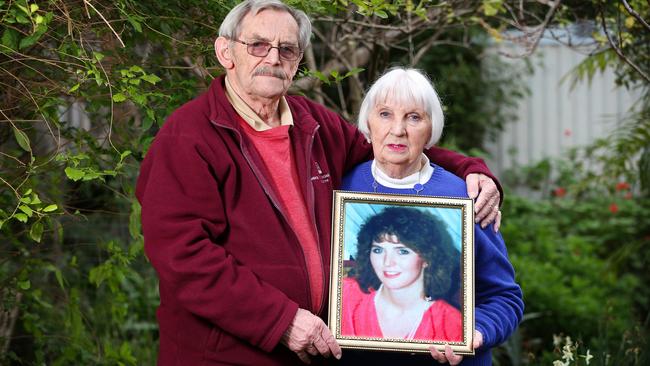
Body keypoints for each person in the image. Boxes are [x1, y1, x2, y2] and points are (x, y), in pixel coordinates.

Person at [136, 1, 504, 365]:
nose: (273, 57)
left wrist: (471, 169)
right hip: (224, 355)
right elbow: (184, 256)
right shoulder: (188, 137)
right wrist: (281, 320)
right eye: (258, 45)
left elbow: (389, 148)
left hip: (311, 351)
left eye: (287, 48)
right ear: (226, 51)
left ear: (297, 61)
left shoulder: (312, 122)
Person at [341, 67, 524, 366]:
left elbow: (504, 297)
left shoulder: (466, 196)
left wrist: (476, 331)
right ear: (368, 123)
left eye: (414, 117)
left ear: (430, 130)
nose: (398, 130)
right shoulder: (340, 186)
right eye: (385, 114)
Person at [341, 207, 462, 342]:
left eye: (402, 251)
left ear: (427, 258)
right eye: (378, 250)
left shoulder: (451, 325)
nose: (387, 262)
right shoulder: (344, 293)